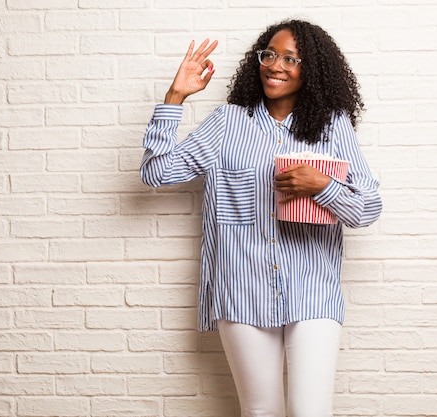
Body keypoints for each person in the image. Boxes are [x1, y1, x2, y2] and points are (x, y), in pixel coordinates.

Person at [140, 18, 382, 417]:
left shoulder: (332, 125)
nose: (275, 65)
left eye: (291, 58)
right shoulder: (227, 123)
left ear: (312, 69)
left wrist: (322, 186)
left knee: (311, 412)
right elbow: (156, 172)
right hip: (241, 290)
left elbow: (368, 207)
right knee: (260, 412)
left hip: (312, 290)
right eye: (269, 54)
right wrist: (174, 97)